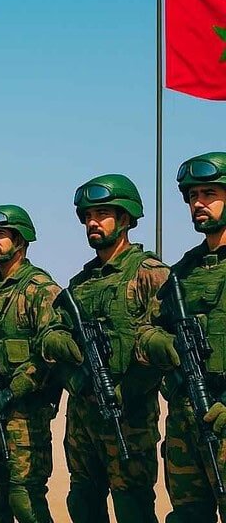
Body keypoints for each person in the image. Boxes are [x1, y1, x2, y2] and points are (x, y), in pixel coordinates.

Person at [0, 204, 80, 523]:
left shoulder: (40, 289)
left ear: (20, 240)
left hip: (25, 415)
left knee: (25, 499)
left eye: (1, 235)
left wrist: (14, 390)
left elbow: (50, 355)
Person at [62, 174, 170, 523]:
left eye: (102, 214)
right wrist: (74, 378)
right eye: (88, 216)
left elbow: (169, 347)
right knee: (83, 503)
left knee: (132, 506)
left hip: (130, 421)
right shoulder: (80, 284)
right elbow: (55, 340)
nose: (93, 223)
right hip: (83, 420)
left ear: (125, 219)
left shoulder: (150, 274)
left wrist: (127, 389)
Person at [146, 152, 226, 522]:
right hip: (185, 420)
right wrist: (166, 345)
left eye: (209, 194)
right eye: (193, 196)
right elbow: (147, 331)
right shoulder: (181, 272)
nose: (199, 203)